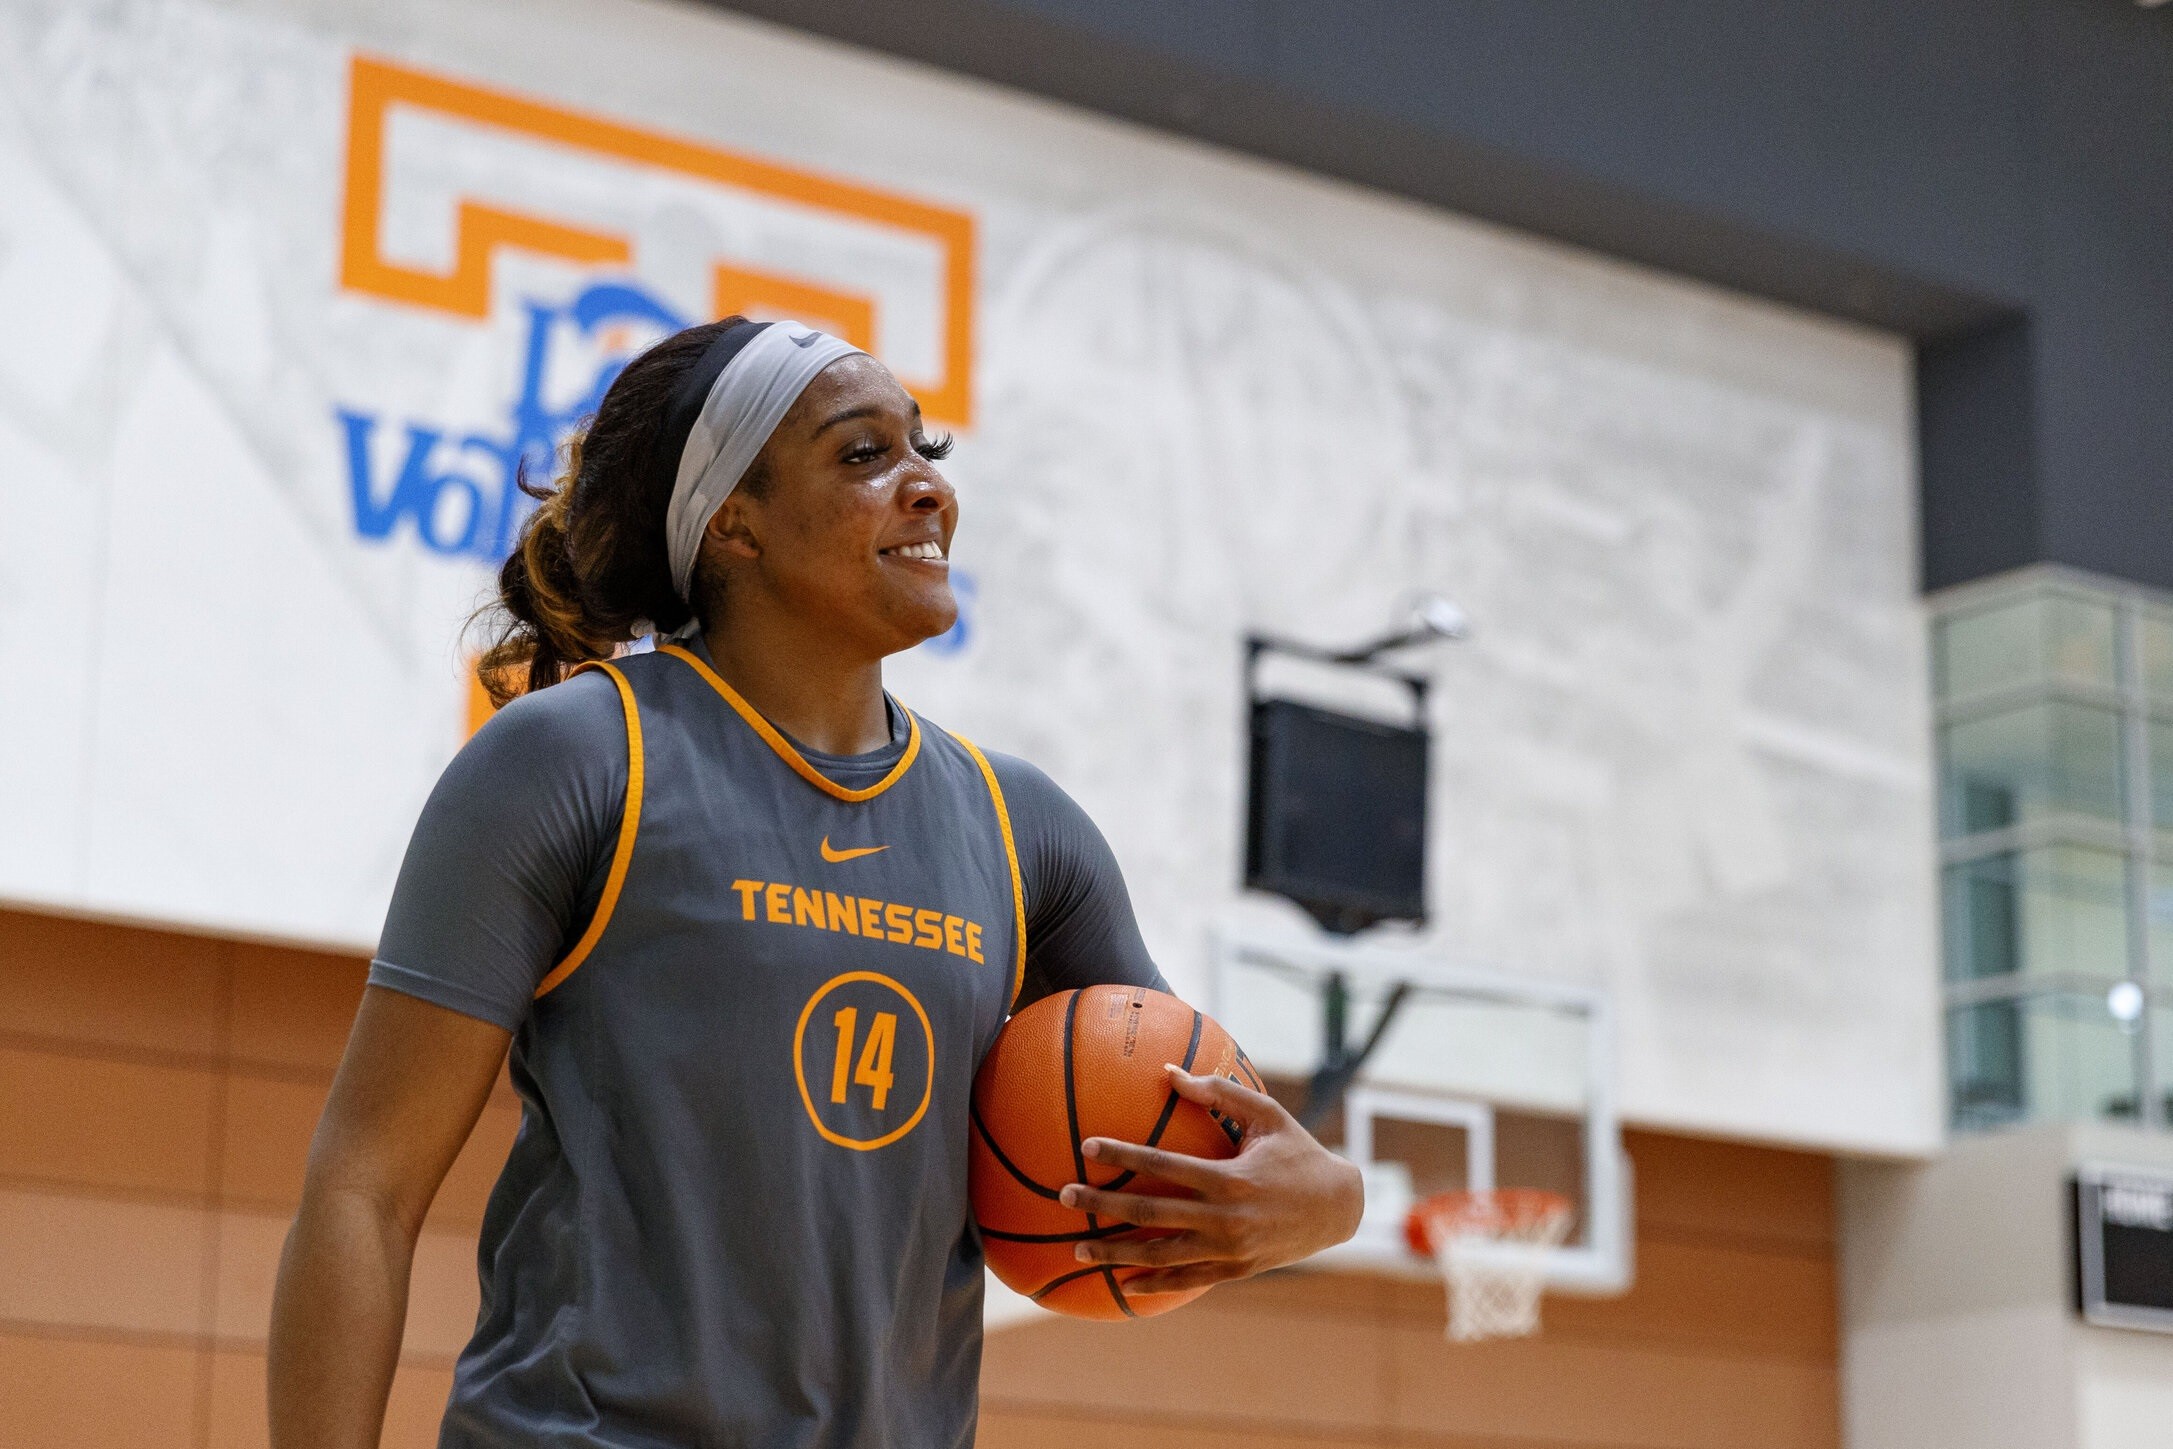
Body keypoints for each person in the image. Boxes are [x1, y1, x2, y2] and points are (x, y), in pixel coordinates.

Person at [267, 317, 1364, 1449]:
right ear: (733, 522)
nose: (927, 487)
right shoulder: (578, 757)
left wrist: (1321, 1202)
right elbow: (365, 1187)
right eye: (862, 455)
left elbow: (1221, 1144)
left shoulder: (1021, 826)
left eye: (925, 449)